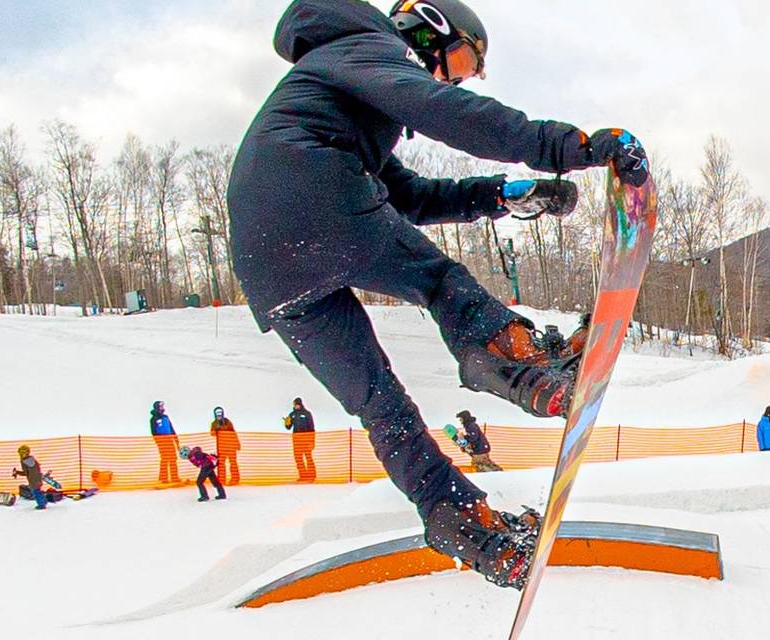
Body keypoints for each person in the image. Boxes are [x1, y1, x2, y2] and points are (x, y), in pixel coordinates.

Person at [226, 0, 645, 590]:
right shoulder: (366, 45)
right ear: (432, 30)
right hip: (312, 189)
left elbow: (411, 197)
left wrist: (503, 193)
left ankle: (463, 523)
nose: (466, 75)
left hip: (267, 262)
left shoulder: (334, 85)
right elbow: (446, 111)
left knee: (380, 404)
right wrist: (567, 147)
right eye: (466, 60)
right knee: (439, 281)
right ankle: (512, 359)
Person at [285, 397, 318, 482]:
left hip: (306, 440)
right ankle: (303, 475)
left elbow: (312, 428)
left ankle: (311, 476)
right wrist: (287, 423)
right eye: (294, 405)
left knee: (308, 457)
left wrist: (312, 441)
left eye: (296, 404)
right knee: (298, 458)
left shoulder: (307, 414)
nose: (295, 406)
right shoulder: (292, 414)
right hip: (296, 440)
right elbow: (288, 427)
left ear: (300, 404)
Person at [150, 401, 180, 485]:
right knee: (165, 459)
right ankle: (164, 478)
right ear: (157, 408)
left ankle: (174, 477)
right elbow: (153, 432)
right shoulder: (153, 419)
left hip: (170, 440)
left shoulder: (166, 417)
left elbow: (171, 428)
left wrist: (176, 439)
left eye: (163, 406)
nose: (162, 408)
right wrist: (158, 441)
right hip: (162, 442)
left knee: (173, 458)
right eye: (160, 407)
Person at [211, 406, 242, 485]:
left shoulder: (228, 422)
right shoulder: (214, 423)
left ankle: (235, 479)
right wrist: (216, 430)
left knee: (233, 462)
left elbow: (233, 432)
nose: (219, 415)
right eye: (217, 413)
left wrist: (237, 443)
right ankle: (221, 479)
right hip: (221, 447)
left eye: (220, 413)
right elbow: (212, 433)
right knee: (221, 463)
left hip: (231, 446)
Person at [13, 445, 49, 510]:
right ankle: (44, 501)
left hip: (33, 480)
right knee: (38, 491)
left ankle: (41, 505)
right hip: (38, 477)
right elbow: (37, 467)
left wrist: (17, 472)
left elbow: (25, 473)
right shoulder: (32, 459)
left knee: (36, 492)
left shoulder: (24, 461)